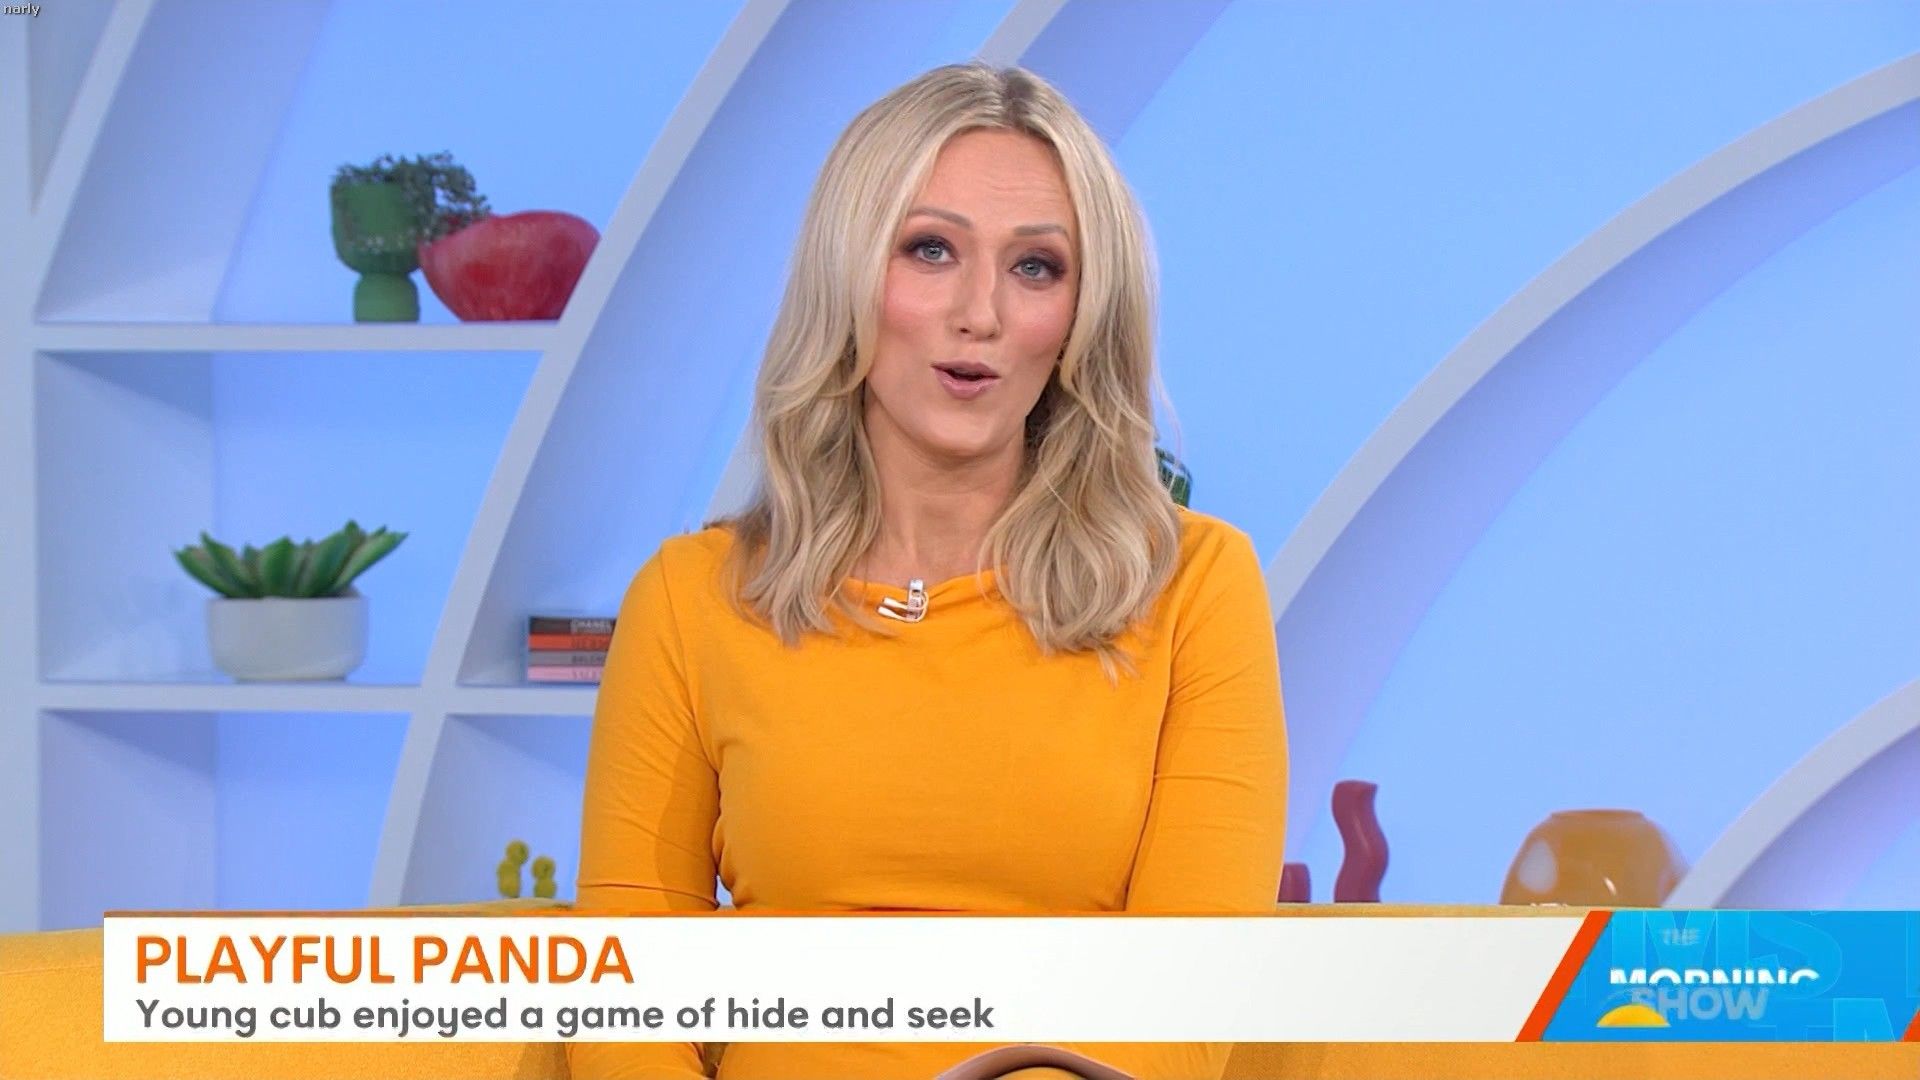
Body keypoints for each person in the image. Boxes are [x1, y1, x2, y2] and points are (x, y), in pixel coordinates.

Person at [568, 60, 1287, 1080]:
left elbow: (1190, 992)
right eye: (930, 250)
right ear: (849, 274)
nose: (979, 313)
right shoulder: (694, 598)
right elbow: (628, 988)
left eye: (1036, 267)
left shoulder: (1195, 586)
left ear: (1082, 316)